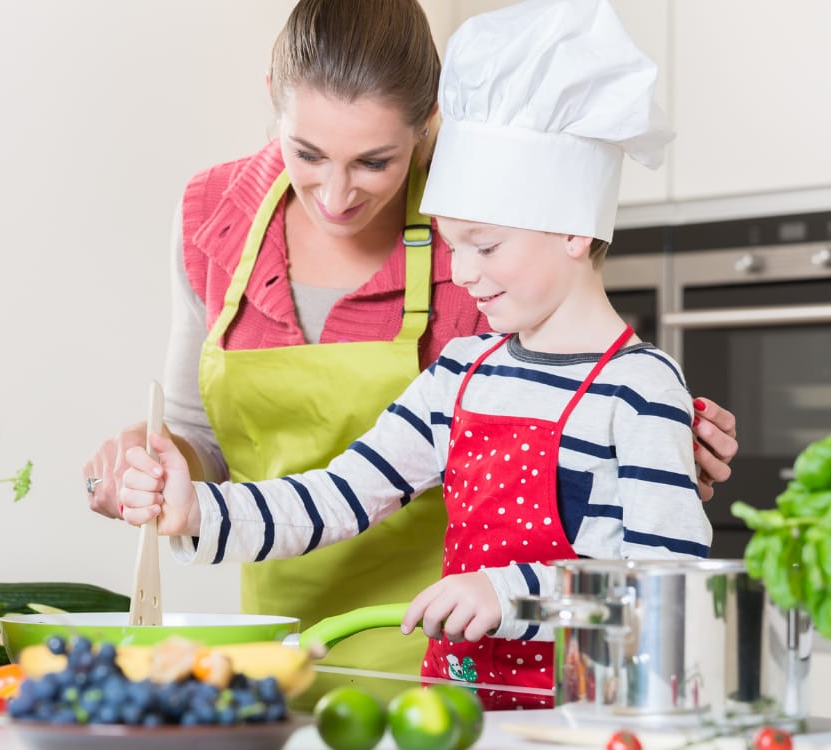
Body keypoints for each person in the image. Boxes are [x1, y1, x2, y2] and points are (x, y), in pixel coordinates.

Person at [84, 0, 736, 706]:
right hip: (451, 710)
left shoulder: (639, 390)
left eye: (482, 247)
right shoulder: (462, 374)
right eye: (454, 246)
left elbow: (666, 580)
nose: (463, 271)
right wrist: (196, 511)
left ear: (574, 229)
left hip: (579, 717)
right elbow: (335, 496)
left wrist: (509, 592)